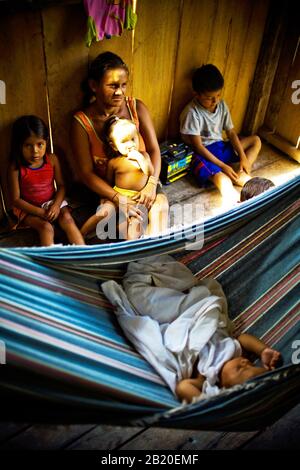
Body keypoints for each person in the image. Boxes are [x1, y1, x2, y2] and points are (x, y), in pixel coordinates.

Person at [71, 51, 168, 240]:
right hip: (110, 190)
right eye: (112, 86)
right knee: (123, 224)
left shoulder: (136, 108)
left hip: (146, 183)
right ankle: (127, 253)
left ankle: (151, 255)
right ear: (93, 86)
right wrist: (117, 199)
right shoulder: (82, 122)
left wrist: (151, 184)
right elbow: (86, 173)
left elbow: (155, 150)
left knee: (159, 208)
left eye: (123, 85)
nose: (120, 92)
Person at [180, 64, 262, 204]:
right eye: (209, 97)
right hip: (202, 154)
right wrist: (223, 167)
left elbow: (231, 133)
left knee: (256, 140)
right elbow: (198, 147)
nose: (215, 101)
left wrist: (243, 157)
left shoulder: (221, 105)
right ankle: (234, 199)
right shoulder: (192, 112)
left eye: (218, 95)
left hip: (220, 147)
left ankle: (245, 176)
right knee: (221, 178)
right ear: (196, 94)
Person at [8, 115, 85, 246]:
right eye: (28, 145)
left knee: (67, 219)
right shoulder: (16, 168)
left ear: (46, 142)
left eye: (40, 144)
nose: (35, 151)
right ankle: (51, 261)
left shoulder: (52, 160)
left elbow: (61, 186)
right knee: (46, 228)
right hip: (28, 209)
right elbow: (16, 200)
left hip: (51, 203)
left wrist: (55, 206)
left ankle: (84, 254)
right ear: (19, 145)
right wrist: (40, 212)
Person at [80, 115, 159, 240]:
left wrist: (140, 158)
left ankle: (129, 245)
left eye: (133, 139)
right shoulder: (114, 162)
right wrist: (105, 197)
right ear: (114, 146)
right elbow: (108, 183)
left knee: (134, 223)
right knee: (104, 211)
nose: (130, 145)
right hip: (117, 196)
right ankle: (81, 233)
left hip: (136, 199)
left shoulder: (144, 156)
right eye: (124, 141)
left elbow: (150, 171)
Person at [176, 333, 281, 403]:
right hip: (203, 331)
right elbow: (243, 338)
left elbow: (183, 387)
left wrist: (208, 404)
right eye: (252, 364)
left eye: (240, 368)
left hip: (184, 342)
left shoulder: (208, 379)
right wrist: (262, 350)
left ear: (225, 388)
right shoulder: (234, 353)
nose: (245, 361)